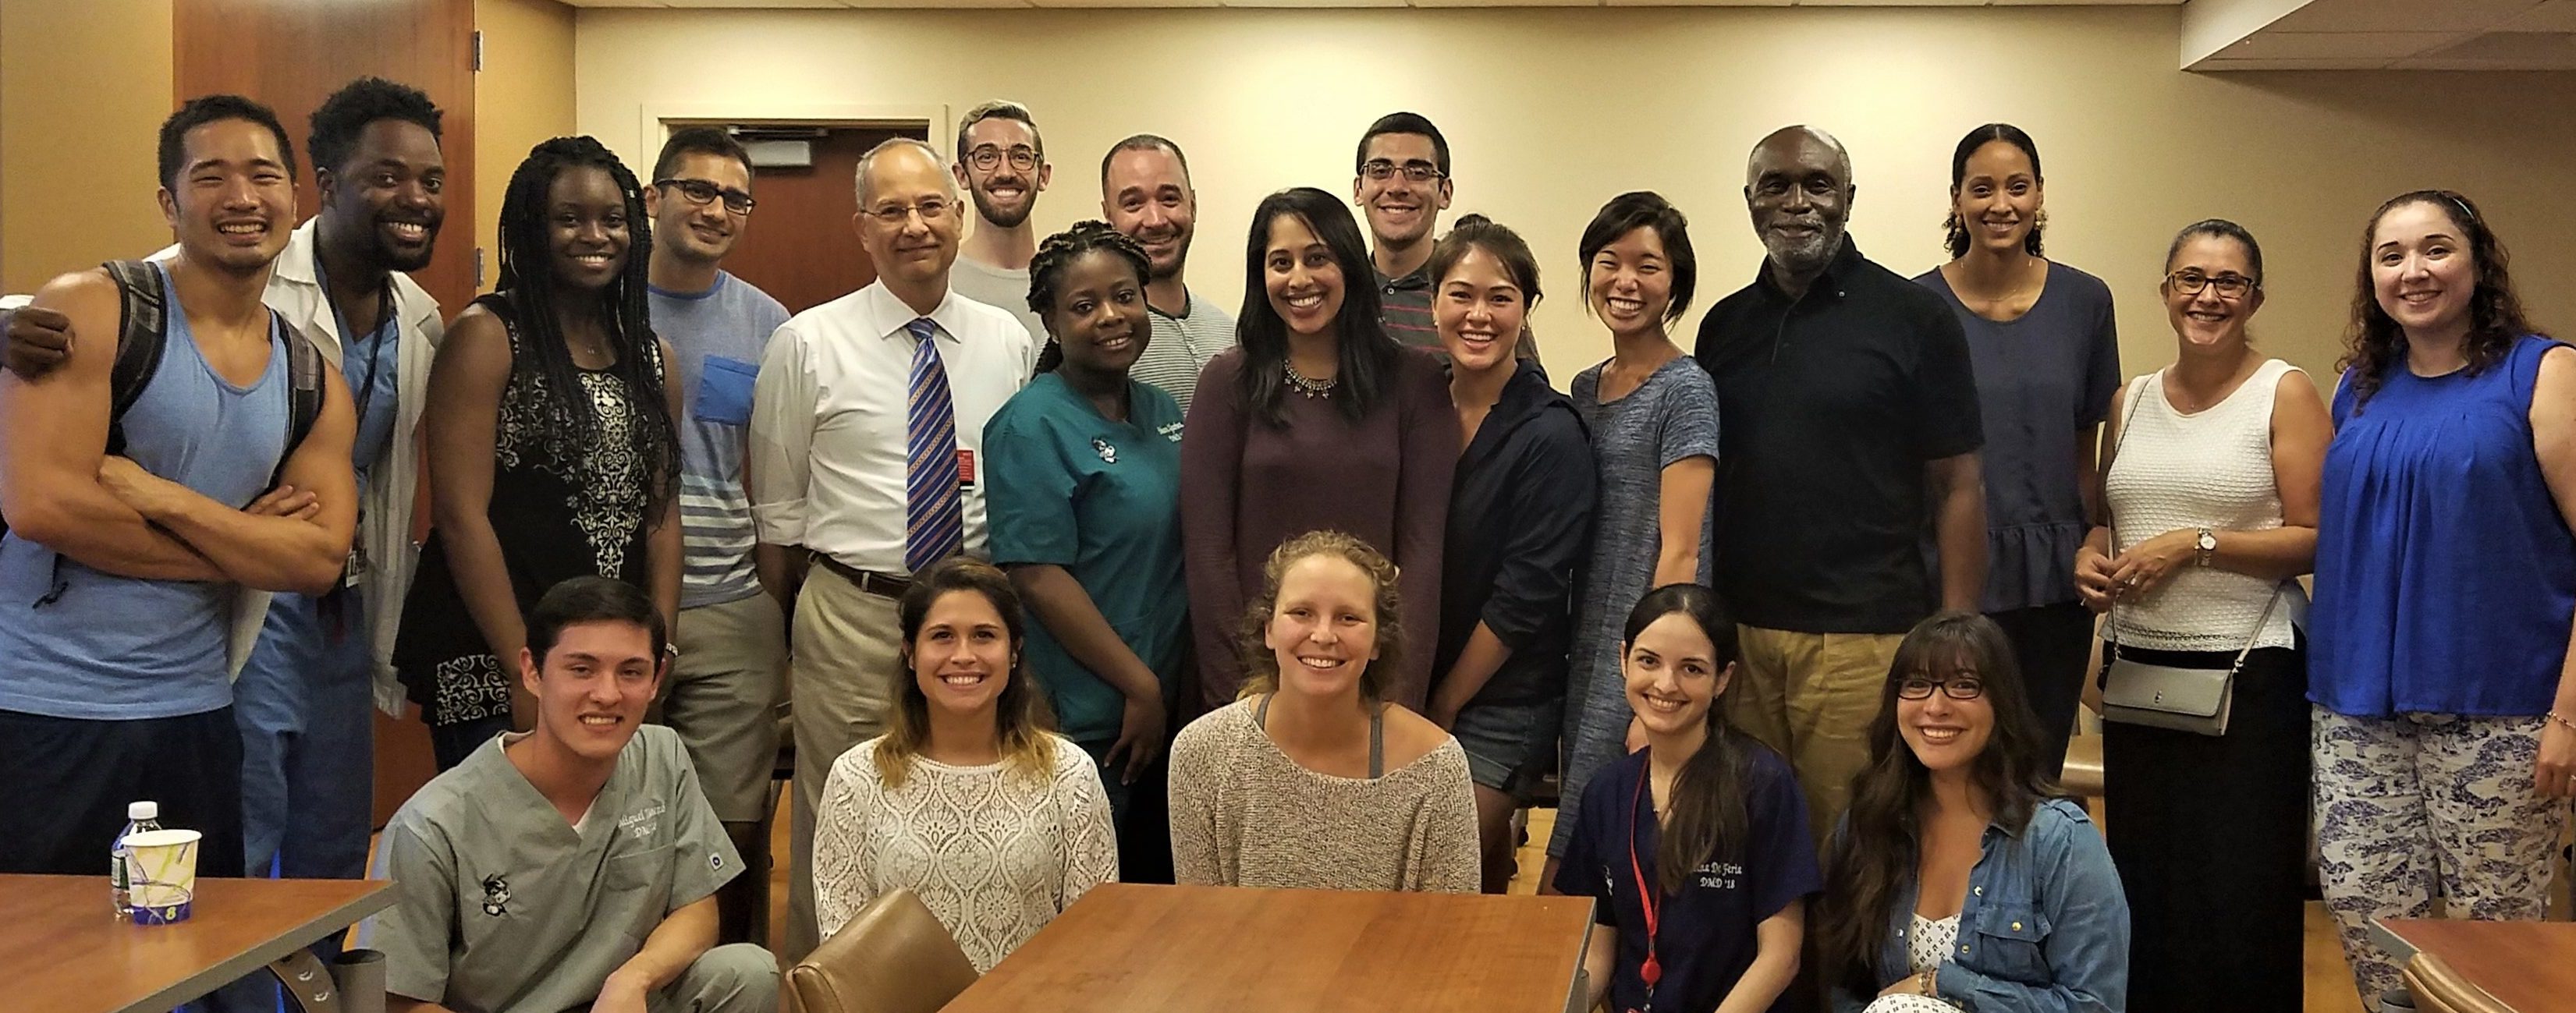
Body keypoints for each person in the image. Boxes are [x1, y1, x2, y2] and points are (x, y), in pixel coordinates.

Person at [5, 79, 445, 901]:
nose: (241, 197)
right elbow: (42, 506)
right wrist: (244, 550)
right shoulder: (106, 310)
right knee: (50, 942)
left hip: (228, 680)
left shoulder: (339, 358)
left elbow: (317, 558)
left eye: (261, 175)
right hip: (56, 698)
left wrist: (163, 500)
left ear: (290, 190)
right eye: (212, 177)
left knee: (231, 918)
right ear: (169, 202)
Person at [748, 136, 1038, 960]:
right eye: (891, 211)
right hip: (853, 613)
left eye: (929, 206)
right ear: (861, 229)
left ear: (956, 215)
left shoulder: (1005, 341)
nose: (914, 226)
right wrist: (805, 625)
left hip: (969, 620)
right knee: (837, 825)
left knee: (964, 816)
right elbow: (777, 517)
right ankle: (826, 989)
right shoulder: (807, 344)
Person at [2308, 189, 2576, 1004]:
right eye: (2389, 256)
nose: (2412, 271)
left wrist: (2566, 716)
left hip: (2499, 715)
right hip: (2357, 714)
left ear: (2476, 261)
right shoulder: (2357, 387)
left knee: (2485, 952)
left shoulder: (2541, 371)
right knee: (2364, 921)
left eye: (2434, 249)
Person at [1695, 126, 1987, 841]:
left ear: (1848, 199)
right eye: (1777, 185)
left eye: (1818, 184)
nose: (1797, 202)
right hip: (1744, 640)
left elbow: (1959, 486)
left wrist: (1953, 633)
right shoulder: (1723, 327)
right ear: (1750, 201)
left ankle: (1851, 964)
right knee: (1747, 842)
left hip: (1866, 639)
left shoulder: (1915, 318)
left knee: (1852, 847)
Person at [2074, 218, 2325, 1010]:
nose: (2207, 297)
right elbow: (2109, 513)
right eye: (2190, 279)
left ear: (2253, 298)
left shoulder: (2282, 390)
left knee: (2238, 893)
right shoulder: (2131, 398)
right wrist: (2092, 551)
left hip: (2249, 677)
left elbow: (2316, 538)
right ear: (2164, 291)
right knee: (2147, 885)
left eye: (2227, 282)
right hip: (2140, 674)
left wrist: (2196, 543)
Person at [395, 136, 683, 773]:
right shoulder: (486, 336)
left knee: (603, 852)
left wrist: (652, 656)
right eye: (569, 218)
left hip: (610, 662)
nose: (595, 235)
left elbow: (662, 518)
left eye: (613, 219)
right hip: (497, 652)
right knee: (504, 857)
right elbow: (461, 514)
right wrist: (523, 666)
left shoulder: (652, 356)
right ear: (533, 226)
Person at [363, 577, 778, 1013]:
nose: (607, 694)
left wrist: (635, 978)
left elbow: (698, 910)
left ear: (656, 680)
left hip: (624, 1004)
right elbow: (401, 1002)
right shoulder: (433, 825)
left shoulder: (662, 758)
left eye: (631, 672)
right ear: (532, 672)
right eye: (581, 670)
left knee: (745, 972)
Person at [1180, 186, 1453, 713]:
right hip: (1255, 683)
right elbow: (1209, 557)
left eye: (1318, 257)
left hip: (1372, 680)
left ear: (1349, 265)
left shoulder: (1413, 381)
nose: (1299, 279)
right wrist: (1240, 698)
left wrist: (1397, 698)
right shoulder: (1227, 383)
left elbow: (1423, 556)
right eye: (1280, 262)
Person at [984, 222, 1188, 881]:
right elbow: (1037, 576)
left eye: (1125, 296)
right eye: (1084, 305)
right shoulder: (1029, 424)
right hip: (1100, 719)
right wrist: (1140, 685)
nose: (1111, 317)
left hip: (1174, 708)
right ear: (1049, 318)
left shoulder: (1161, 409)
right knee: (1101, 906)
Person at [1914, 125, 2118, 777]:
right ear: (1956, 201)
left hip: (2055, 582)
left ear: (2038, 197)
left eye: (2016, 187)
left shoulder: (2086, 301)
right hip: (1945, 573)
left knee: (2034, 772)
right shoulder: (1916, 307)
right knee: (1947, 768)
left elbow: (2090, 442)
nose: (2000, 204)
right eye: (1982, 188)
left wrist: (2095, 534)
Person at [810, 558, 1118, 972]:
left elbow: (1094, 937)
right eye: (942, 637)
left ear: (1014, 653)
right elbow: (843, 953)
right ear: (910, 654)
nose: (963, 656)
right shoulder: (856, 778)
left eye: (984, 636)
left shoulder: (1069, 774)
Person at [1812, 612, 2128, 1013]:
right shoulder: (1868, 823)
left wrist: (1942, 984)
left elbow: (2095, 1005)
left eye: (1964, 686)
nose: (1936, 706)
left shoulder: (2061, 841)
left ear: (2002, 703)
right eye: (1917, 685)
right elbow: (1849, 990)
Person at [640, 126, 793, 945]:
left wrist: (770, 608)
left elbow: (772, 478)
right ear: (652, 197)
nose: (715, 209)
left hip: (732, 605)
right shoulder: (604, 299)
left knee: (731, 830)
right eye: (697, 189)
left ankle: (736, 985)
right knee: (620, 821)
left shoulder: (769, 323)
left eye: (735, 197)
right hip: (619, 605)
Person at [1547, 192, 1718, 873]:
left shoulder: (1687, 388)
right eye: (1608, 261)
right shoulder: (1586, 387)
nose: (1625, 281)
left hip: (1642, 649)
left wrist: (1655, 687)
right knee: (1590, 833)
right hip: (1590, 642)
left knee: (1594, 855)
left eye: (1647, 265)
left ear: (1674, 280)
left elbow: (1683, 545)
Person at [1424, 214, 1593, 891]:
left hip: (1501, 697)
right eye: (1461, 294)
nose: (1479, 315)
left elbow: (1527, 594)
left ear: (1525, 311)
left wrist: (1444, 702)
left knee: (1445, 867)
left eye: (1501, 297)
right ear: (1433, 302)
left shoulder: (1551, 432)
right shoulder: (1415, 406)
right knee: (1472, 880)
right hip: (1414, 683)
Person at [1167, 530, 1480, 891]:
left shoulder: (1436, 768)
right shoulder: (1203, 752)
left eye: (1348, 618)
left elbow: (1449, 934)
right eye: (1302, 613)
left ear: (1378, 640)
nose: (1324, 635)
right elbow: (1202, 926)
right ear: (1268, 629)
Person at [1553, 584, 1816, 1013]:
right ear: (1623, 660)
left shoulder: (1764, 784)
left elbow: (1781, 957)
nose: (1665, 684)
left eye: (1692, 669)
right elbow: (1600, 946)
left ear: (1723, 679)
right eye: (1648, 661)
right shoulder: (1607, 792)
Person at [1099, 133, 1233, 413]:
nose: (1156, 220)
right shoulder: (1090, 339)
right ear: (1108, 216)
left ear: (1193, 204)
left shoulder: (1230, 333)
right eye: (1133, 203)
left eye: (1169, 199)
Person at [945, 100, 1048, 341]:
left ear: (1043, 175)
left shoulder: (1066, 281)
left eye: (1021, 157)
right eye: (986, 156)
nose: (1005, 172)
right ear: (961, 175)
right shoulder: (938, 282)